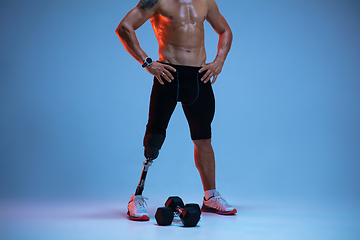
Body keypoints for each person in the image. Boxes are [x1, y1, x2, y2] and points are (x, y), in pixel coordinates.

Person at [116, 0, 236, 221]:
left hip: (199, 78)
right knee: (154, 137)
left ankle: (210, 198)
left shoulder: (206, 2)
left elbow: (225, 30)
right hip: (168, 75)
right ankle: (137, 198)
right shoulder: (157, 1)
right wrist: (147, 62)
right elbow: (124, 27)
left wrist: (219, 61)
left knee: (204, 139)